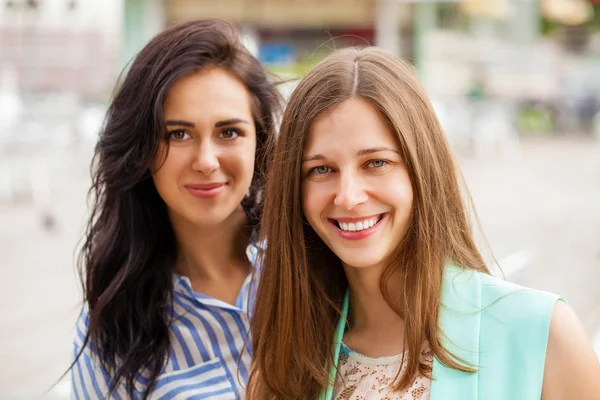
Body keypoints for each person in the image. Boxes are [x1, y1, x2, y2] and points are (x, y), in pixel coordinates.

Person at [247, 47, 600, 399]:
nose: (348, 197)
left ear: (422, 169)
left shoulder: (542, 334)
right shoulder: (284, 363)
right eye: (321, 169)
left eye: (376, 163)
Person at [70, 19, 281, 399]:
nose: (206, 160)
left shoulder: (312, 262)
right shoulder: (110, 328)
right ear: (143, 150)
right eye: (178, 134)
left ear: (260, 141)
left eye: (228, 132)